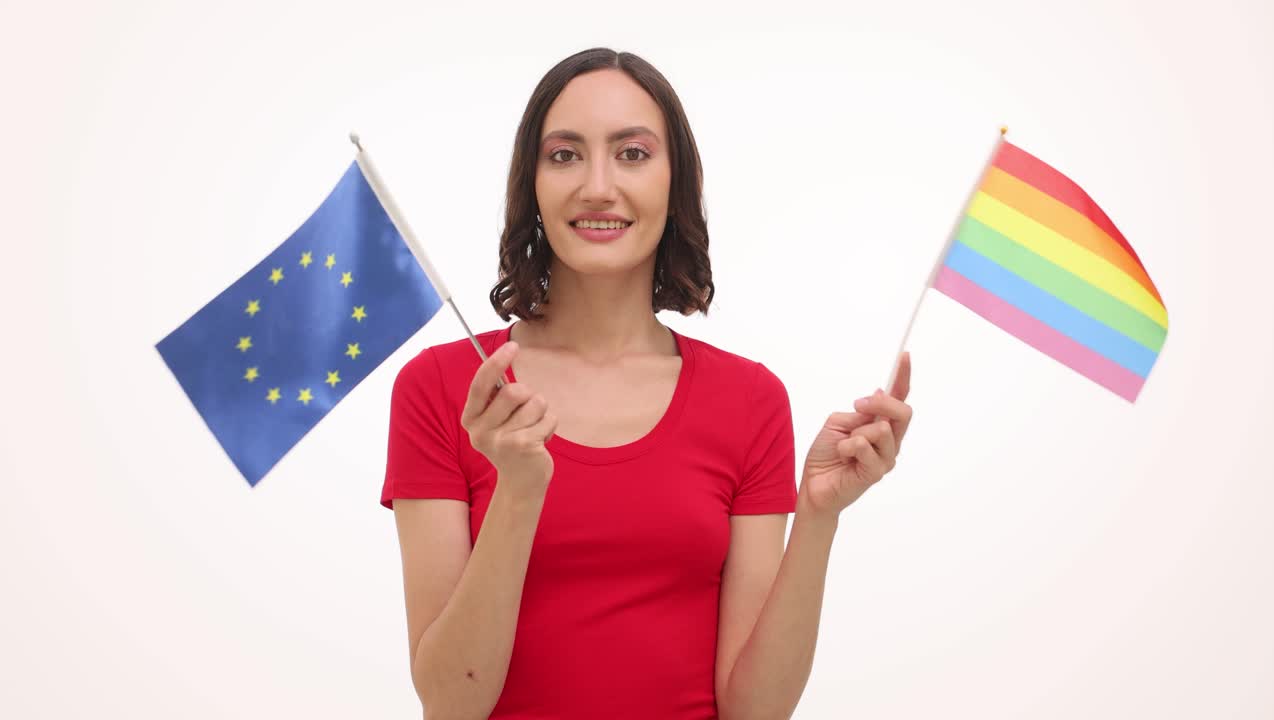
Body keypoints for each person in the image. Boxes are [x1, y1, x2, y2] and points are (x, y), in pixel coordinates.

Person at [381, 47, 913, 720]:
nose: (597, 186)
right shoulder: (445, 387)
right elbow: (450, 701)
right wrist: (518, 491)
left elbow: (756, 710)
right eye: (564, 155)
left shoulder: (750, 400)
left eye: (632, 154)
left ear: (674, 183)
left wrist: (817, 515)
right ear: (532, 185)